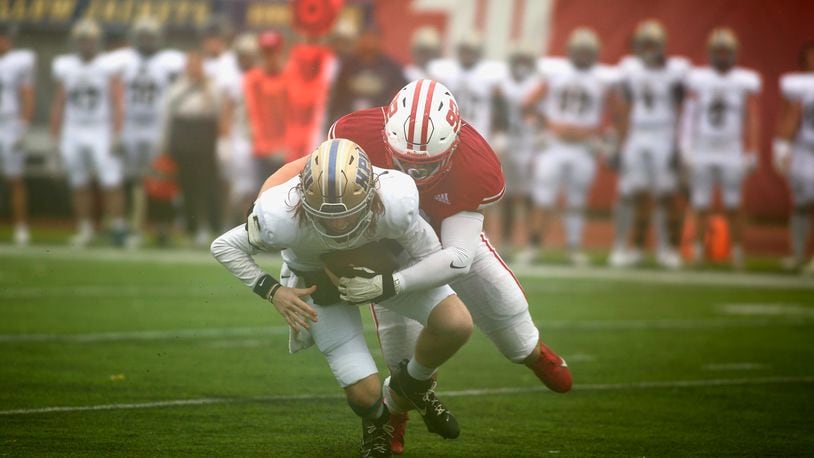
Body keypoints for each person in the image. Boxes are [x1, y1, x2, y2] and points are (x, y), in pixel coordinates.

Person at [261, 80, 573, 455]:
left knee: (508, 315)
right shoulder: (357, 134)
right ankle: (397, 410)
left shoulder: (475, 164)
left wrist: (390, 285)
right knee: (401, 352)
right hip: (381, 247)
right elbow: (305, 169)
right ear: (385, 135)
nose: (412, 172)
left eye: (425, 166)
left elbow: (458, 257)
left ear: (454, 143)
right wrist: (260, 209)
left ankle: (532, 352)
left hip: (443, 239)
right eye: (403, 161)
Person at [211, 139, 473, 457]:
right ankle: (376, 424)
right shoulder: (279, 214)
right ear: (303, 197)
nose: (336, 224)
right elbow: (224, 246)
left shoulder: (394, 201)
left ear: (371, 194)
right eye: (325, 216)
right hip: (318, 287)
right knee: (364, 396)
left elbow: (431, 257)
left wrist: (389, 283)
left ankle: (411, 383)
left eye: (346, 215)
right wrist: (274, 291)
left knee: (456, 324)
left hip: (382, 273)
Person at [521, 28, 626, 266]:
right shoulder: (556, 73)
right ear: (570, 52)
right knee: (543, 197)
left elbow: (618, 112)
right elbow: (527, 104)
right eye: (579, 51)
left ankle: (574, 247)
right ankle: (533, 246)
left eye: (588, 52)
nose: (583, 56)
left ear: (596, 54)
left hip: (584, 147)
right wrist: (539, 129)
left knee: (577, 199)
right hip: (554, 145)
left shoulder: (603, 78)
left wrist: (610, 137)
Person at [608, 20, 688, 269]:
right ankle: (627, 246)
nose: (648, 49)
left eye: (653, 44)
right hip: (637, 134)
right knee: (630, 193)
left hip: (664, 135)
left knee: (666, 194)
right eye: (644, 43)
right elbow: (622, 107)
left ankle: (668, 249)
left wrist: (680, 144)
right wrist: (617, 143)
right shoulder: (629, 69)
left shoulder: (676, 70)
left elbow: (683, 108)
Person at [680, 28, 760, 269]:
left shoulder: (744, 81)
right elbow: (689, 115)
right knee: (700, 203)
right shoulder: (698, 78)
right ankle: (697, 250)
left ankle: (737, 250)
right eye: (718, 51)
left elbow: (752, 116)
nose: (722, 56)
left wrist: (752, 149)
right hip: (703, 147)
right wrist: (686, 145)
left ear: (735, 54)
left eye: (726, 51)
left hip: (731, 149)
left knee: (734, 204)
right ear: (710, 53)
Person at [50, 19, 127, 247]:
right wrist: (54, 137)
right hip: (73, 129)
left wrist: (117, 132)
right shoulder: (66, 66)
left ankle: (118, 227)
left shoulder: (107, 66)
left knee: (111, 179)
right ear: (75, 42)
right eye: (82, 40)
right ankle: (85, 229)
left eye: (90, 40)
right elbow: (59, 103)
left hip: (100, 129)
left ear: (97, 42)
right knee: (78, 181)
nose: (86, 45)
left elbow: (117, 101)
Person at [112, 17, 185, 248]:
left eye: (151, 37)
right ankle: (129, 226)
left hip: (155, 126)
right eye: (143, 37)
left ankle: (160, 228)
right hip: (131, 126)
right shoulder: (124, 61)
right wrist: (117, 129)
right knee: (131, 179)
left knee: (158, 181)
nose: (147, 41)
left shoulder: (168, 62)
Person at [161, 51, 221, 247]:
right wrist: (165, 143)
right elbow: (169, 112)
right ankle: (189, 226)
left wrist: (204, 85)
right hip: (183, 136)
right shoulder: (178, 85)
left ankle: (204, 225)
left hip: (202, 136)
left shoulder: (211, 85)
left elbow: (213, 109)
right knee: (184, 185)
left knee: (203, 184)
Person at [492, 41, 542, 256]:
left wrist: (541, 134)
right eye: (518, 60)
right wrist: (500, 134)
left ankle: (532, 242)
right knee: (508, 195)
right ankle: (506, 240)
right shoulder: (501, 84)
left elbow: (543, 111)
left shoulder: (538, 83)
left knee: (531, 194)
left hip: (531, 142)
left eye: (525, 60)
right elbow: (498, 112)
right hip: (511, 140)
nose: (521, 65)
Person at [775, 42, 814, 274]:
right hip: (804, 149)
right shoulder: (798, 85)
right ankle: (797, 252)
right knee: (800, 203)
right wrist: (782, 146)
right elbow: (791, 115)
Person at [217, 33, 259, 227]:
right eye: (242, 55)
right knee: (232, 186)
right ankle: (227, 225)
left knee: (251, 188)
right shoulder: (233, 80)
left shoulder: (260, 77)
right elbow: (226, 111)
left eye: (249, 55)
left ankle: (247, 227)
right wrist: (224, 139)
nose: (246, 59)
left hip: (257, 138)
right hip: (238, 137)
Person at [328, 26, 406, 125]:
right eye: (366, 38)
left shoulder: (391, 67)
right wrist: (331, 122)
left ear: (379, 40)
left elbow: (404, 92)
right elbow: (337, 97)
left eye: (372, 38)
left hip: (379, 122)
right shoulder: (348, 66)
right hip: (350, 121)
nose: (369, 42)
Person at [0, 23, 35, 246]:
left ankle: (21, 226)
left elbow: (27, 94)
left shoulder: (20, 61)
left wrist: (23, 125)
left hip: (9, 123)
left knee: (15, 178)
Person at [244, 30, 288, 186]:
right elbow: (253, 113)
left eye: (273, 52)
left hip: (287, 148)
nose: (270, 58)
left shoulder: (290, 76)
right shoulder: (253, 78)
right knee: (261, 194)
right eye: (266, 53)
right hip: (262, 148)